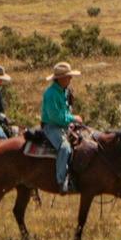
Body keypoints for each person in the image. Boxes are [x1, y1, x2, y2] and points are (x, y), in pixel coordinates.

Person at [39, 61, 81, 193]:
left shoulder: (63, 91)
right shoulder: (51, 94)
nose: (71, 79)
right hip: (52, 127)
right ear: (61, 78)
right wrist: (73, 118)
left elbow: (64, 112)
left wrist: (71, 120)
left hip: (62, 125)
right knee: (65, 148)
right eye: (68, 76)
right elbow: (55, 117)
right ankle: (61, 181)